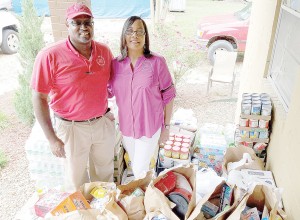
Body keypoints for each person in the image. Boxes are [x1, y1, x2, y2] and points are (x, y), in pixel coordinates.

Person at [31, 3, 115, 191]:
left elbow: (113, 84)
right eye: (77, 22)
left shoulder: (104, 51)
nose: (83, 27)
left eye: (88, 22)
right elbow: (39, 98)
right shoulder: (49, 55)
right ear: (67, 24)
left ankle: (105, 212)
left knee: (105, 174)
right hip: (71, 128)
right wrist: (52, 138)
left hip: (101, 123)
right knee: (76, 181)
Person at [109, 16, 176, 178]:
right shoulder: (115, 64)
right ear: (124, 36)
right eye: (130, 31)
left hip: (149, 127)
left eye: (140, 32)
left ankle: (143, 199)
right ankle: (150, 191)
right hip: (127, 128)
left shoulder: (157, 62)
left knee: (139, 169)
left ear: (145, 36)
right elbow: (106, 91)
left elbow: (169, 95)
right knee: (139, 166)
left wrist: (166, 128)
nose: (135, 36)